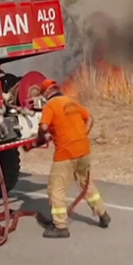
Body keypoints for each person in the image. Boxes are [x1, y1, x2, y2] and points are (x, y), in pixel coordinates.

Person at [37, 78, 110, 238]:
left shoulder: (50, 105)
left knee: (56, 189)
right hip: (84, 149)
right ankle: (102, 214)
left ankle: (60, 226)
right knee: (86, 184)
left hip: (65, 153)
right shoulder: (72, 101)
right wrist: (82, 135)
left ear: (47, 92)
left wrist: (41, 137)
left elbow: (43, 126)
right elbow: (90, 118)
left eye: (43, 93)